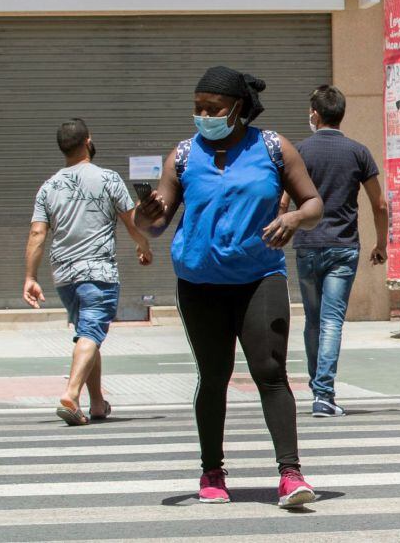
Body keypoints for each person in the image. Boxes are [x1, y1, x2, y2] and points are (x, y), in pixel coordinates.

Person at [134, 66, 325, 508]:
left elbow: (312, 202)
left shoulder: (274, 148)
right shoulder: (182, 155)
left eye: (213, 108)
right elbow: (156, 223)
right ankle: (212, 471)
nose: (203, 115)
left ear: (238, 109)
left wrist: (295, 218)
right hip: (199, 284)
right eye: (198, 108)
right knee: (214, 376)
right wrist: (145, 212)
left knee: (270, 370)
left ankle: (290, 473)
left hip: (259, 277)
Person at [24, 118, 152, 426]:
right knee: (91, 333)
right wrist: (143, 246)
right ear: (87, 141)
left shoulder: (49, 187)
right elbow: (130, 219)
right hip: (98, 273)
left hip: (64, 276)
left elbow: (37, 234)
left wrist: (30, 277)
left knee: (87, 333)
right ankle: (71, 395)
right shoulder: (108, 179)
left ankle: (97, 403)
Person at [279, 84, 388, 417]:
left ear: (315, 113)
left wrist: (280, 233)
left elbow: (283, 202)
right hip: (343, 247)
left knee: (312, 322)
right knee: (332, 322)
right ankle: (323, 394)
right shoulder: (359, 152)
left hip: (308, 246)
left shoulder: (299, 153)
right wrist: (381, 244)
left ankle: (319, 391)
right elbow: (379, 204)